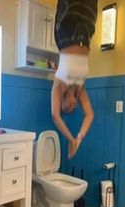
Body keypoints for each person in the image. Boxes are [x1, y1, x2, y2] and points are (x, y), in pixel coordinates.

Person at [51, 0, 98, 159]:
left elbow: (55, 116)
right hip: (86, 33)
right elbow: (90, 115)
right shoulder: (80, 88)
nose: (71, 107)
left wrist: (70, 139)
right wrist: (78, 138)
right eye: (72, 109)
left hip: (66, 31)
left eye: (66, 108)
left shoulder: (59, 84)